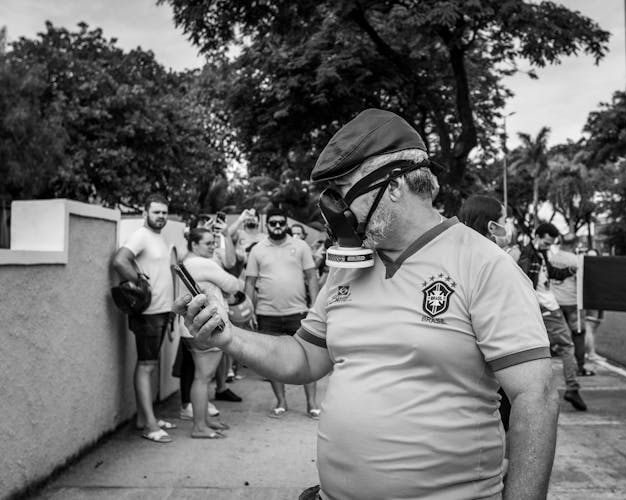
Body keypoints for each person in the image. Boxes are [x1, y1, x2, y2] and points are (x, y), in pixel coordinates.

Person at [175, 108, 559, 499]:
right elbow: (304, 357)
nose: (335, 212)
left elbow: (535, 396)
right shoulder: (349, 267)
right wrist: (228, 337)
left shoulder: (483, 264)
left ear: (393, 185)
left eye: (343, 193)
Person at [244, 207, 321, 418]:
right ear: (266, 225)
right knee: (273, 361)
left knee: (308, 359)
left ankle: (312, 404)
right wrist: (248, 309)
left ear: (286, 224)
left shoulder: (301, 246)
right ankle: (281, 401)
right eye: (273, 223)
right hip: (267, 313)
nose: (277, 226)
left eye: (281, 222)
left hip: (298, 311)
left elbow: (311, 277)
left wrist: (314, 306)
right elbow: (249, 282)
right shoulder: (257, 249)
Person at [112, 194, 176, 443]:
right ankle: (150, 426)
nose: (161, 216)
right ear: (145, 212)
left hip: (161, 311)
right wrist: (139, 283)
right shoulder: (140, 235)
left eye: (164, 212)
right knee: (146, 365)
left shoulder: (158, 237)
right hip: (147, 313)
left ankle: (144, 418)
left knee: (150, 365)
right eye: (156, 212)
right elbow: (120, 260)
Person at [457, 193, 519, 431]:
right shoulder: (497, 263)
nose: (509, 225)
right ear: (493, 226)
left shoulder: (451, 256)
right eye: (506, 219)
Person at [518, 222, 588, 411]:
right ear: (537, 236)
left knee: (539, 346)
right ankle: (571, 387)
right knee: (566, 345)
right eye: (547, 243)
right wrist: (536, 306)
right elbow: (523, 281)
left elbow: (550, 274)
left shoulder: (541, 254)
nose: (549, 247)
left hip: (547, 304)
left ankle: (533, 390)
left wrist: (569, 271)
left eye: (551, 244)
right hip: (546, 306)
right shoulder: (528, 254)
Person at [180, 227, 240, 438]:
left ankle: (204, 421)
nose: (213, 247)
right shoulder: (202, 263)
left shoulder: (188, 263)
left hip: (193, 328)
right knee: (203, 378)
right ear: (194, 244)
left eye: (214, 242)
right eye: (208, 243)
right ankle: (199, 426)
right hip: (206, 327)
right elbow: (233, 284)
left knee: (202, 376)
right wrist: (222, 284)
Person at [548, 233, 594, 376]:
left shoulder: (552, 258)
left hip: (554, 302)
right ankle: (580, 367)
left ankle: (549, 368)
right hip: (573, 302)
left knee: (554, 335)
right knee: (578, 334)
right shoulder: (576, 260)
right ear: (575, 244)